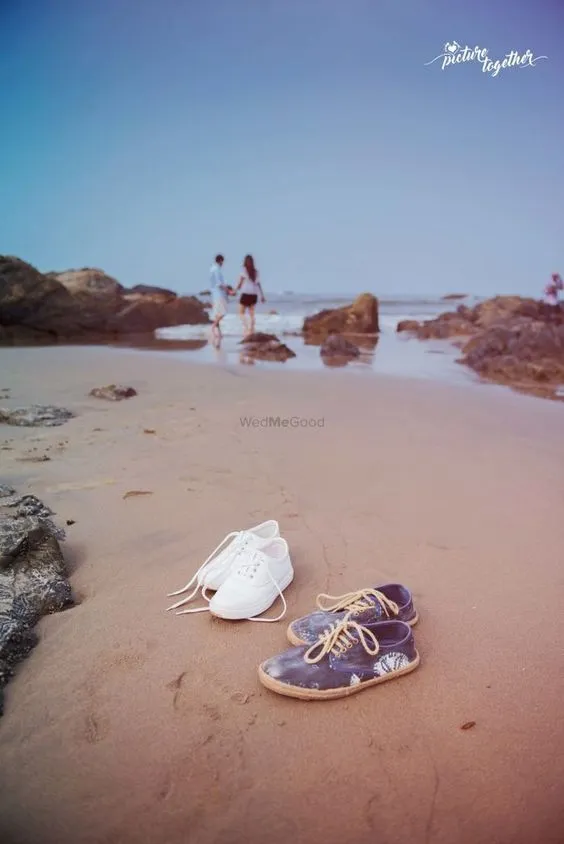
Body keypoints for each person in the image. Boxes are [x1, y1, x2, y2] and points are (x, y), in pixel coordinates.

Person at [235, 255, 265, 337]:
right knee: (252, 313)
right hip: (254, 294)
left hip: (245, 293)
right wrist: (262, 295)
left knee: (241, 313)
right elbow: (259, 284)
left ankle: (247, 327)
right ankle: (252, 330)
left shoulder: (244, 270)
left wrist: (235, 290)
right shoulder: (256, 272)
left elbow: (240, 283)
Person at [209, 254, 230, 344]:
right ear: (221, 261)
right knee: (223, 312)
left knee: (218, 314)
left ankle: (219, 333)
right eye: (222, 261)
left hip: (215, 294)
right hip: (219, 294)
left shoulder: (212, 268)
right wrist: (228, 290)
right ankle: (213, 328)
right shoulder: (216, 269)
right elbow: (219, 284)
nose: (223, 263)